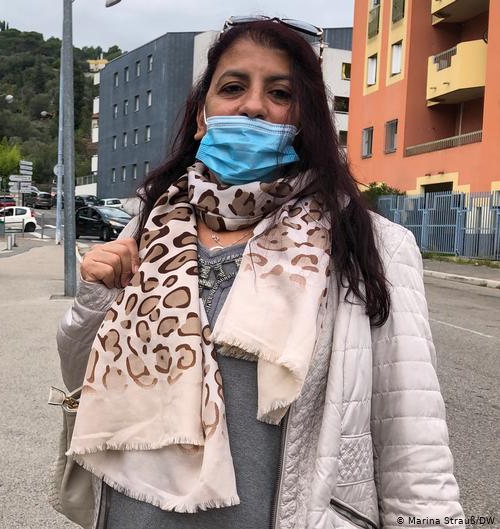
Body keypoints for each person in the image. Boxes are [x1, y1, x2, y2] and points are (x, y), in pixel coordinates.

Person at [56, 17, 463, 529]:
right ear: (202, 116)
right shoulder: (148, 225)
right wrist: (95, 294)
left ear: (304, 119)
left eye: (279, 93)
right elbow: (79, 378)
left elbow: (413, 438)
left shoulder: (372, 246)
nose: (252, 105)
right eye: (233, 87)